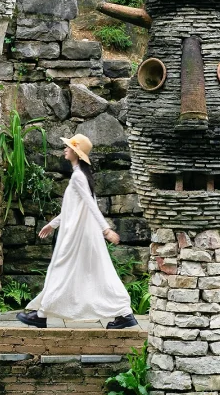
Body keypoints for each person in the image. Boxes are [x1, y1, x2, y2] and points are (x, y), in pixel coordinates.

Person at [16, 134, 137, 330]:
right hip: (79, 235)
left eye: (68, 147)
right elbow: (72, 209)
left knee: (62, 270)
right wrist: (52, 224)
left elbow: (90, 205)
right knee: (97, 272)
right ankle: (124, 313)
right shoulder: (80, 176)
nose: (65, 149)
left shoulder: (79, 176)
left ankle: (41, 315)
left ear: (77, 153)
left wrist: (106, 230)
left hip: (77, 237)